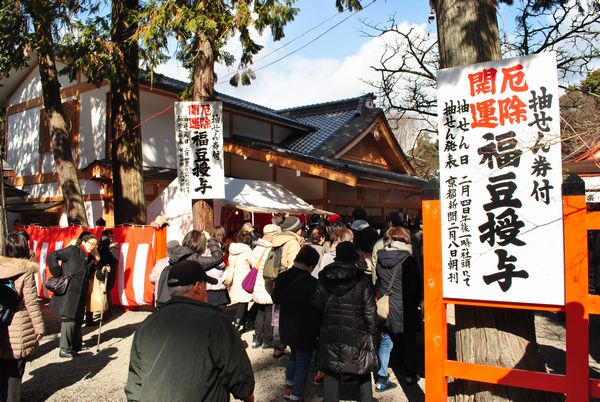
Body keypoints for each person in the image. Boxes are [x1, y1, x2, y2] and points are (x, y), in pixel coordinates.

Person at [125, 260, 255, 402]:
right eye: (206, 286)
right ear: (198, 287)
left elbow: (134, 383)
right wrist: (247, 394)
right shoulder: (216, 322)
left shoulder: (147, 324)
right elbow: (240, 377)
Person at [313, 241, 378, 402]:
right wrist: (372, 329)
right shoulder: (362, 280)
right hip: (358, 330)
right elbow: (370, 310)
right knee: (362, 368)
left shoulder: (324, 278)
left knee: (331, 369)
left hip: (330, 328)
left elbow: (317, 304)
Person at [374, 227, 422, 390]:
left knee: (386, 342)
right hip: (405, 307)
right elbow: (415, 288)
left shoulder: (381, 256)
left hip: (387, 307)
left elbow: (379, 282)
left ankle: (381, 378)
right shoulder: (409, 260)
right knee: (409, 342)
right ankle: (410, 374)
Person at [272, 245, 321, 402]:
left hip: (287, 325)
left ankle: (288, 388)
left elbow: (276, 299)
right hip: (305, 328)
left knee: (294, 356)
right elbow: (317, 308)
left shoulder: (283, 277)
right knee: (302, 361)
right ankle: (296, 395)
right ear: (311, 264)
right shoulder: (312, 282)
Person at [0, 233, 45, 402]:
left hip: (1, 324)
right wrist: (39, 328)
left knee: (2, 369)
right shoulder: (25, 270)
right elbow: (31, 302)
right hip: (18, 323)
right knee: (15, 372)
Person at [48, 232, 98, 358]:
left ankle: (76, 346)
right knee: (69, 319)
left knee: (78, 319)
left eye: (95, 245)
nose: (93, 246)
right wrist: (56, 271)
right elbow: (53, 255)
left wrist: (101, 267)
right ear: (84, 242)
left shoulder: (90, 258)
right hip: (69, 291)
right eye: (91, 243)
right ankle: (64, 349)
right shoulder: (73, 250)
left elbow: (92, 272)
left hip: (80, 292)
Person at [155, 230, 224, 308]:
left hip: (165, 303)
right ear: (201, 245)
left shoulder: (176, 256)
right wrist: (210, 239)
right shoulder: (194, 259)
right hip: (182, 306)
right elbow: (218, 258)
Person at [250, 224, 279, 349]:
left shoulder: (256, 247)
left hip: (257, 285)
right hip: (267, 286)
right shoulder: (271, 249)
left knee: (260, 312)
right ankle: (267, 340)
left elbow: (251, 263)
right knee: (268, 313)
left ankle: (257, 339)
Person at [227, 232, 254, 333]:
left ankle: (242, 323)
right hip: (245, 278)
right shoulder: (247, 250)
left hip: (236, 277)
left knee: (242, 301)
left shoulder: (233, 248)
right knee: (243, 302)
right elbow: (253, 262)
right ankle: (237, 325)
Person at [149, 240, 180, 307]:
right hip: (175, 301)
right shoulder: (182, 263)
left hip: (160, 300)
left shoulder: (160, 263)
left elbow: (151, 278)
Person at [205, 226, 229, 309]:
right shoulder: (217, 247)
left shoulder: (206, 246)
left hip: (208, 284)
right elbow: (219, 263)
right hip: (218, 285)